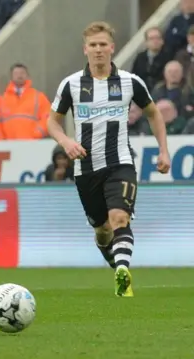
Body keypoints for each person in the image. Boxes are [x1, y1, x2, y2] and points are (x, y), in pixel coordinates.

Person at [47, 21, 171, 298]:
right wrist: (66, 142)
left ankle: (123, 273)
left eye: (103, 44)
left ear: (112, 48)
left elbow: (153, 113)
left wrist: (163, 150)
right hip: (86, 169)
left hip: (120, 163)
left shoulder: (129, 82)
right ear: (85, 49)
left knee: (119, 217)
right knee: (102, 231)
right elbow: (52, 122)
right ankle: (116, 264)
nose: (99, 50)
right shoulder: (71, 85)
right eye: (93, 45)